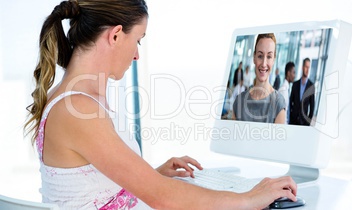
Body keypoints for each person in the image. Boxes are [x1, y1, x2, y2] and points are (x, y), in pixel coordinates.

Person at [24, 1, 297, 209]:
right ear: (116, 35)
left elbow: (87, 191)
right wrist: (249, 198)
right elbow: (164, 198)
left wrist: (149, 175)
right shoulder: (79, 109)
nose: (137, 54)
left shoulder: (72, 96)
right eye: (138, 40)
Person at [232, 33, 286, 123]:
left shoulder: (278, 104)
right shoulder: (239, 102)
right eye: (260, 56)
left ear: (273, 60)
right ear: (254, 58)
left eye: (269, 57)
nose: (264, 64)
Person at [289, 58, 315, 126]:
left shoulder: (311, 86)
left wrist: (307, 123)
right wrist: (292, 115)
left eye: (309, 67)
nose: (307, 70)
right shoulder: (295, 84)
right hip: (293, 121)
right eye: (306, 67)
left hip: (303, 123)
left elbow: (312, 108)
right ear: (302, 67)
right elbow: (290, 102)